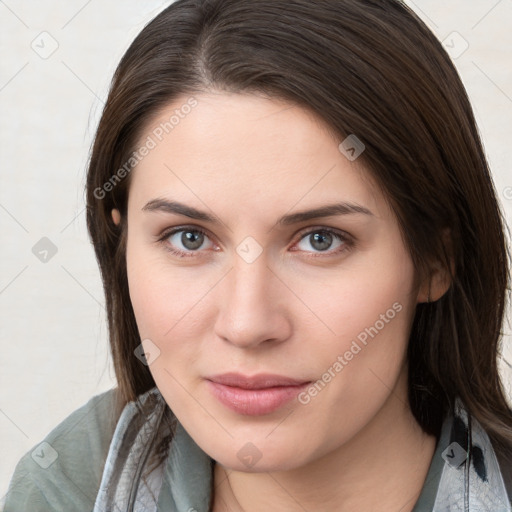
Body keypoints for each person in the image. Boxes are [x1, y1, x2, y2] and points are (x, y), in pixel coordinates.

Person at [4, 0, 512, 510]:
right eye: (189, 238)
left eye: (320, 239)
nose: (247, 324)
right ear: (122, 247)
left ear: (434, 260)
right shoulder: (65, 489)